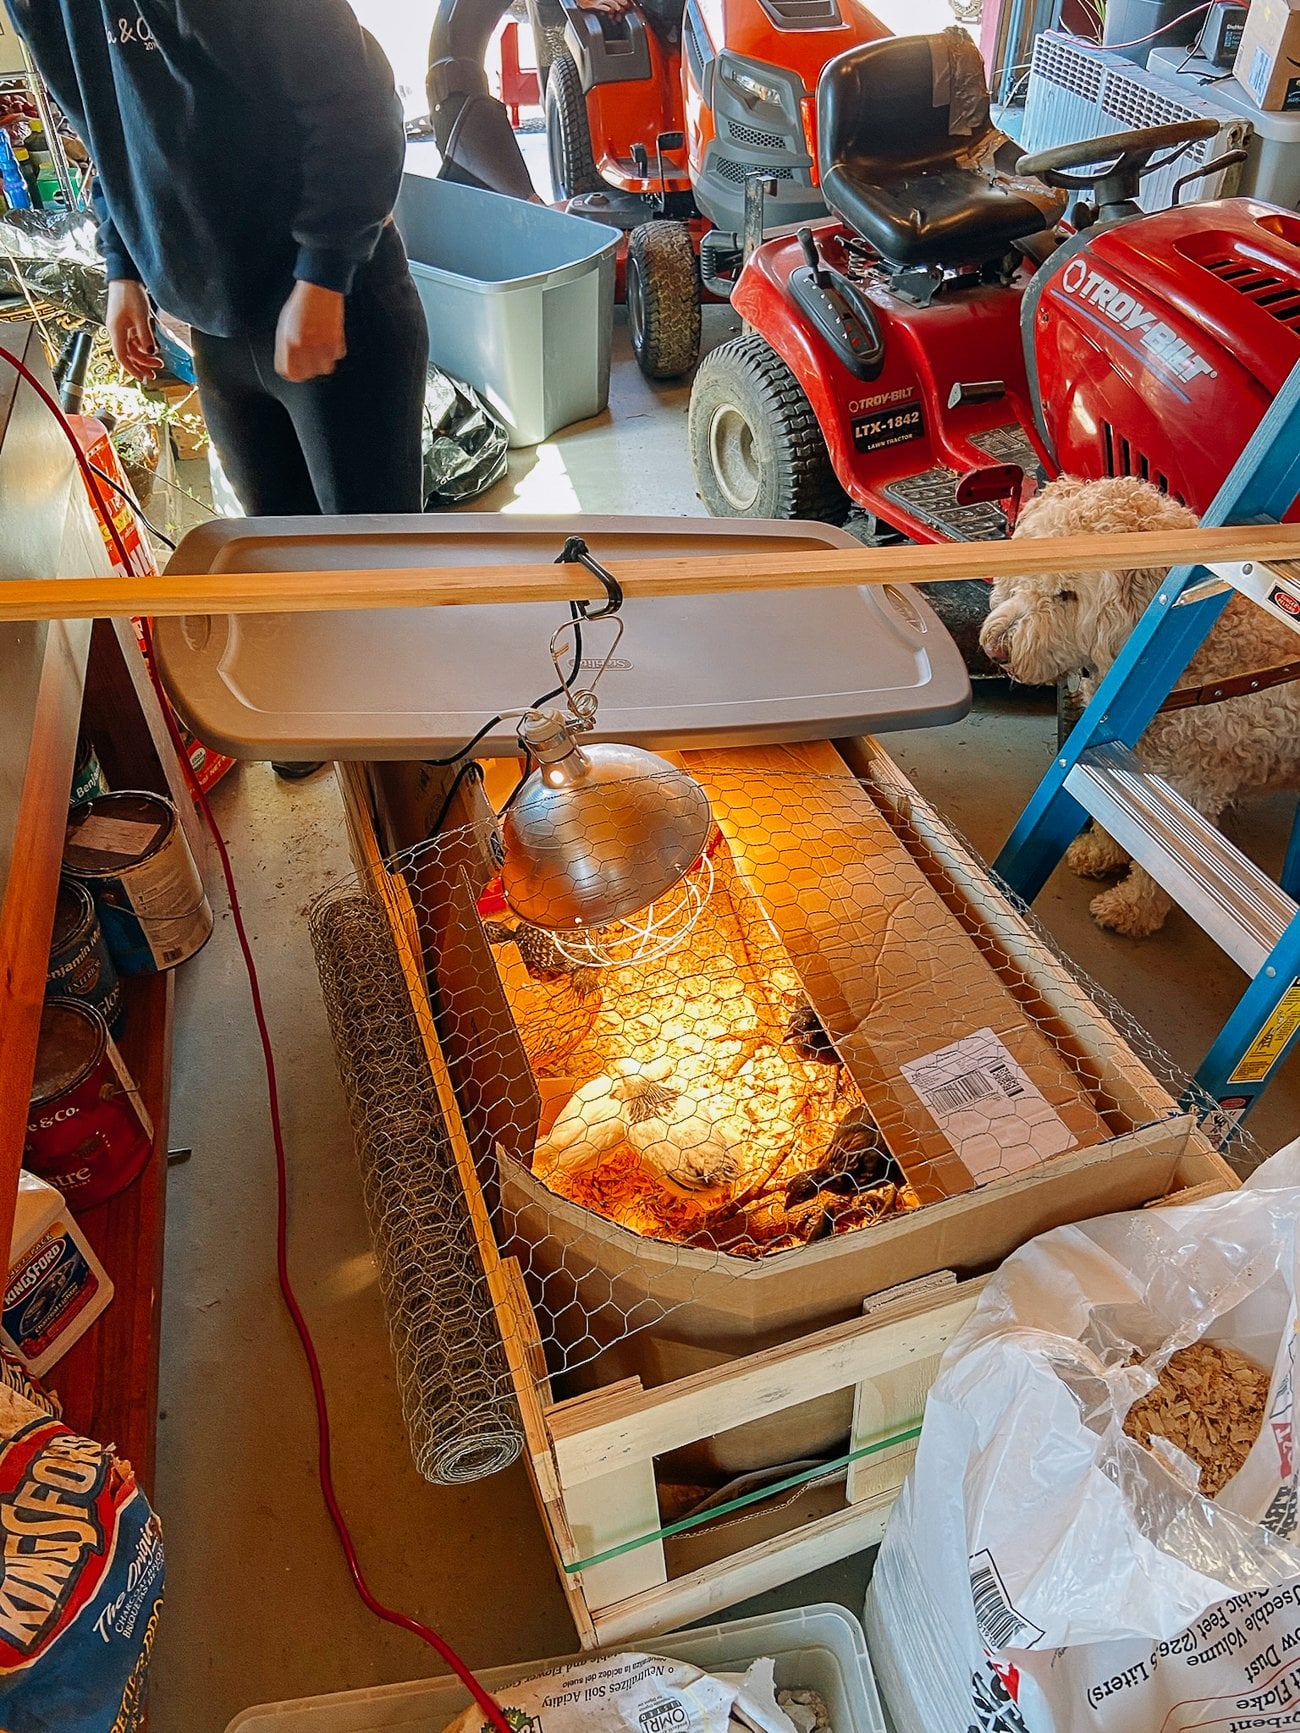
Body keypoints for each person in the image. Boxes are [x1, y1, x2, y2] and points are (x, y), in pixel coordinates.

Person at [6, 0, 430, 521]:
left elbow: (360, 111)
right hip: (217, 321)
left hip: (331, 306)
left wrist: (324, 272)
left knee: (377, 564)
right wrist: (124, 265)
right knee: (279, 561)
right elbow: (111, 133)